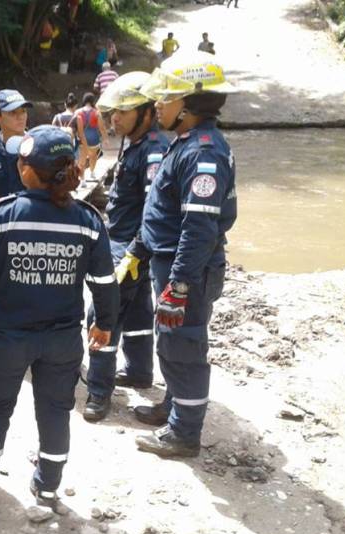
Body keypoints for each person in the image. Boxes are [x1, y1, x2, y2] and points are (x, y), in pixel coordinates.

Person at [0, 125, 119, 515]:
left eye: (21, 161)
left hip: (7, 337)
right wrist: (104, 324)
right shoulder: (88, 221)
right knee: (56, 411)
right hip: (62, 340)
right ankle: (47, 489)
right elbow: (105, 283)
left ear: (26, 172)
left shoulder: (1, 215)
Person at [129, 51, 237, 457]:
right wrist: (138, 252)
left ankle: (184, 435)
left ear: (189, 104)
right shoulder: (185, 143)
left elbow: (199, 228)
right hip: (173, 264)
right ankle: (173, 407)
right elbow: (163, 210)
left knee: (184, 347)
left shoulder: (202, 153)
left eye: (166, 97)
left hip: (187, 270)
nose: (157, 104)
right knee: (171, 341)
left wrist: (177, 284)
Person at [82, 72, 170, 422]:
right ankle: (138, 371)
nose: (114, 119)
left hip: (130, 246)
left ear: (147, 112)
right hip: (127, 242)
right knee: (135, 311)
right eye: (113, 112)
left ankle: (99, 393)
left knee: (103, 313)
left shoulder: (152, 151)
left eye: (124, 111)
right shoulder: (136, 144)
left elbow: (155, 208)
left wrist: (134, 251)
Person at [75, 92, 109, 181]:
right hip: (94, 139)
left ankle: (82, 180)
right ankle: (92, 172)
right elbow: (101, 128)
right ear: (92, 101)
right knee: (93, 156)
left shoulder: (78, 112)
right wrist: (106, 139)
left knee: (82, 160)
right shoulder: (96, 113)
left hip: (82, 139)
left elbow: (74, 126)